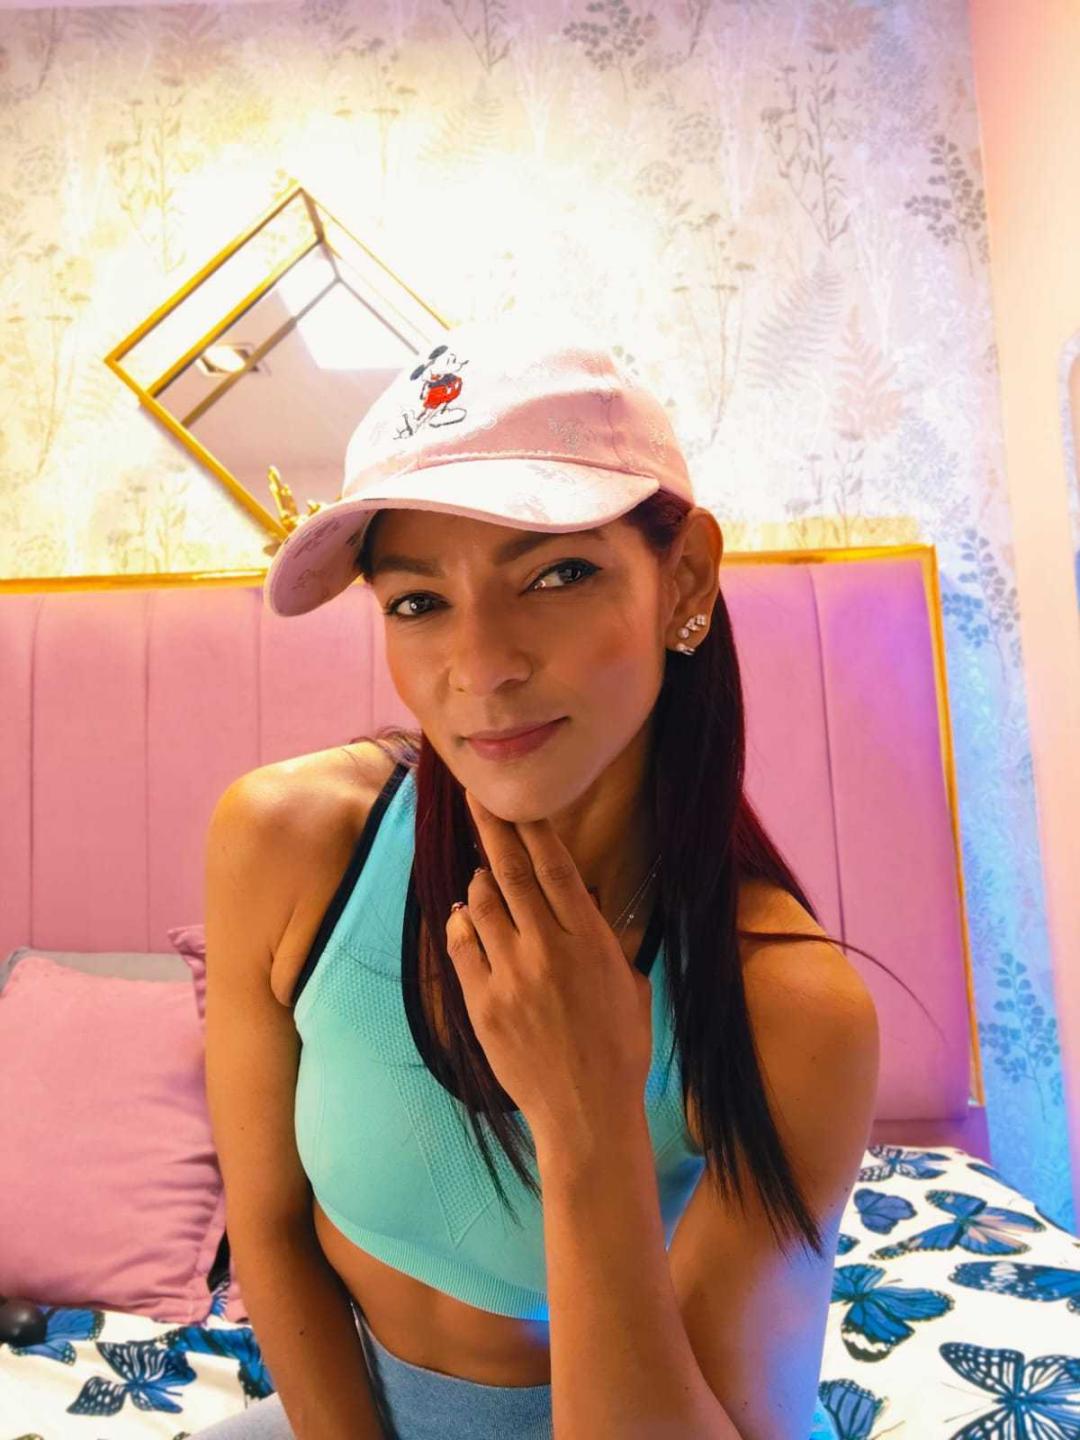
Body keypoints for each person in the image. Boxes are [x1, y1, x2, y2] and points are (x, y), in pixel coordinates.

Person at [193, 314, 875, 1438]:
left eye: (557, 573)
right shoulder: (286, 842)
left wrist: (587, 1116)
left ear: (684, 578)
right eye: (418, 601)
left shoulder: (790, 1010)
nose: (482, 667)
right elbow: (268, 1228)